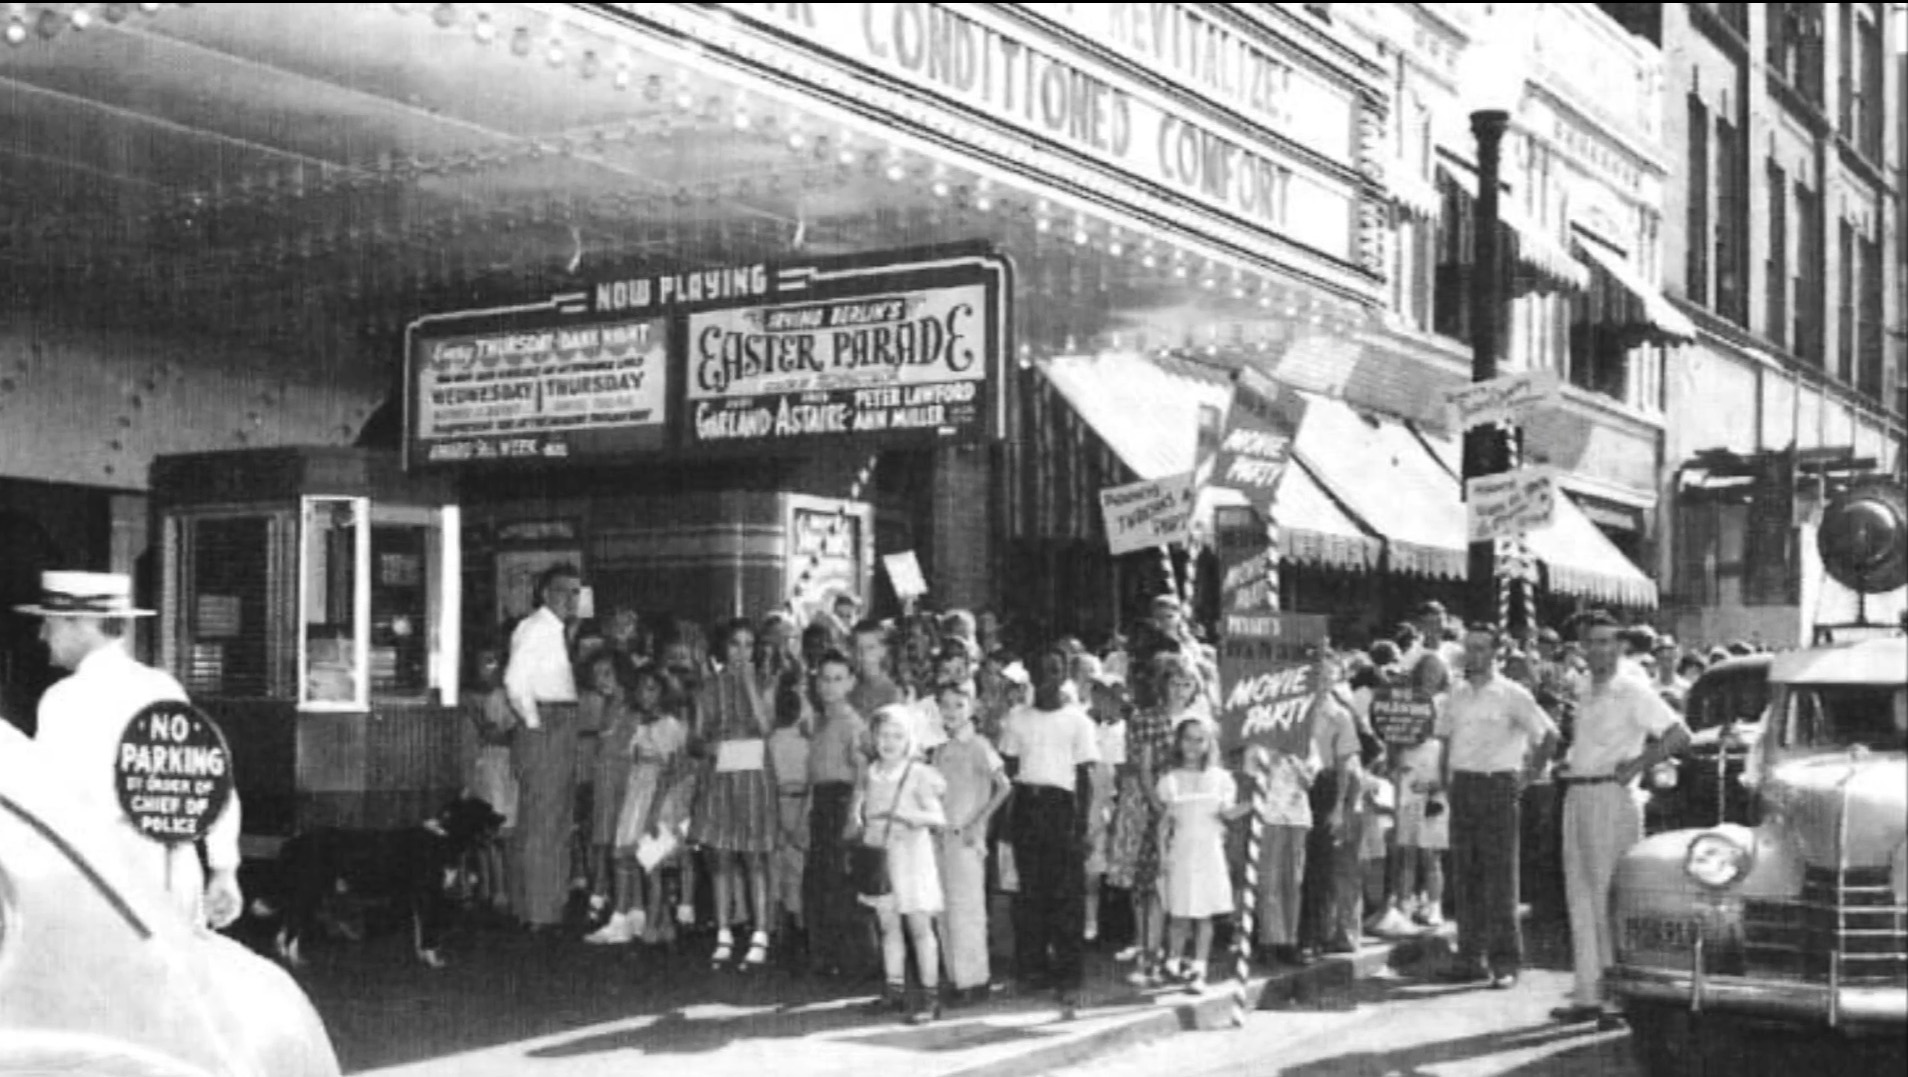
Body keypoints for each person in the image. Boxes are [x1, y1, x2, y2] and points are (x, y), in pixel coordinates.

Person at [20, 571, 244, 929]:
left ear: (83, 624)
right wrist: (223, 868)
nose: (42, 635)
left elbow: (50, 805)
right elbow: (209, 779)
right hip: (176, 876)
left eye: (50, 623)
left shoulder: (64, 700)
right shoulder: (162, 686)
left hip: (105, 883)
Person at [1552, 611, 1690, 1029]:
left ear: (1621, 646)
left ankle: (1617, 998)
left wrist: (1639, 764)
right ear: (1581, 647)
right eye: (1594, 642)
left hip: (1612, 798)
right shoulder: (1585, 689)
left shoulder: (1632, 689)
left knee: (1610, 896)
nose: (1602, 650)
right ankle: (1588, 993)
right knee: (1579, 893)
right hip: (1578, 791)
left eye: (1610, 642)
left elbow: (1678, 733)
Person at [1435, 624, 1558, 989]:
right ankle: (1470, 957)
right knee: (1465, 874)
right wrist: (1446, 779)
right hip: (1463, 786)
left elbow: (1549, 735)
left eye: (1481, 649)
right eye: (1469, 648)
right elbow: (1445, 740)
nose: (1473, 655)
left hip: (1497, 784)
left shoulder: (1512, 694)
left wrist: (1527, 776)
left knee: (1499, 876)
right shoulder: (1455, 695)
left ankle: (1505, 962)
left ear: (1495, 654)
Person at [1000, 647, 1101, 1019]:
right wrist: (1008, 822)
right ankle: (1032, 970)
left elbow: (1086, 778)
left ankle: (1069, 978)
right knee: (1030, 894)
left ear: (1065, 675)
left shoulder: (1078, 721)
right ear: (1031, 675)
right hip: (1028, 803)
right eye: (1041, 671)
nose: (1048, 679)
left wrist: (1083, 826)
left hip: (1062, 807)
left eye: (1055, 671)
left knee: (1066, 896)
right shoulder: (1017, 717)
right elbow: (1009, 768)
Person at [1105, 652, 1200, 986]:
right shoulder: (1147, 720)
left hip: (1192, 810)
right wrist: (1160, 808)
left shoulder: (1200, 723)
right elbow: (1143, 771)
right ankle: (1149, 952)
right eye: (1175, 683)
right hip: (1151, 808)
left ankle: (1179, 954)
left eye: (1187, 683)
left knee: (1187, 884)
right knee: (1149, 885)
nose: (1180, 690)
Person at [692, 618, 780, 970]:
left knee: (755, 855)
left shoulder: (765, 682)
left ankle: (761, 932)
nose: (742, 652)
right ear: (723, 648)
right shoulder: (707, 687)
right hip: (722, 771)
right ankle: (724, 932)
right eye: (735, 644)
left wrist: (748, 684)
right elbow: (695, 740)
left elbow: (765, 726)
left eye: (748, 645)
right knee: (721, 855)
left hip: (754, 771)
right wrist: (709, 747)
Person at [854, 705, 949, 1025]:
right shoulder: (871, 772)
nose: (889, 742)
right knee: (888, 926)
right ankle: (894, 990)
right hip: (883, 859)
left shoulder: (918, 774)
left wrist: (911, 818)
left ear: (909, 739)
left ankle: (931, 996)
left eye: (897, 735)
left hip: (912, 859)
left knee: (920, 928)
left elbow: (938, 817)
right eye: (883, 735)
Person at [505, 564, 584, 932]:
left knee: (553, 819)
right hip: (546, 723)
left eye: (576, 592)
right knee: (542, 821)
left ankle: (544, 904)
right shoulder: (534, 628)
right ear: (545, 594)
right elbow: (515, 681)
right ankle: (539, 910)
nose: (572, 599)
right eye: (564, 591)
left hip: (560, 721)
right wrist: (536, 724)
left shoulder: (557, 632)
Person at [1156, 718, 1250, 993]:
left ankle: (1200, 966)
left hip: (1209, 851)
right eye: (1188, 738)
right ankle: (1173, 961)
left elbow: (1227, 813)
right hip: (1182, 851)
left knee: (1204, 914)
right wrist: (1162, 855)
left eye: (1200, 739)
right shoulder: (1170, 779)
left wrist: (1252, 803)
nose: (1193, 746)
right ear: (1179, 741)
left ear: (1210, 744)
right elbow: (1164, 825)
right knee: (1179, 913)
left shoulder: (1220, 779)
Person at [933, 680, 1011, 1006]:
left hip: (966, 838)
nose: (951, 712)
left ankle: (975, 979)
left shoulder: (979, 745)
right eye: (945, 705)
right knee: (944, 911)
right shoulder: (939, 750)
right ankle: (954, 977)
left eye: (959, 705)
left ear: (972, 708)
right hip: (942, 836)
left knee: (967, 910)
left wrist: (978, 822)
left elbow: (1004, 786)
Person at [598, 663, 688, 945]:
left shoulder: (669, 726)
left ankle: (655, 919)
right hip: (636, 791)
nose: (646, 695)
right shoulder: (640, 723)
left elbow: (669, 772)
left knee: (653, 860)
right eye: (642, 689)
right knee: (626, 855)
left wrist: (654, 811)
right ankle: (627, 919)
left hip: (654, 796)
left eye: (652, 689)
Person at [803, 649, 874, 979]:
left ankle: (854, 963)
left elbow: (862, 772)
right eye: (824, 679)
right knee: (820, 884)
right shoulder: (821, 720)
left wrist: (854, 814)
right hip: (821, 801)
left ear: (850, 682)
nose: (829, 686)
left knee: (841, 886)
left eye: (837, 679)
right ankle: (826, 958)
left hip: (842, 803)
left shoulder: (852, 723)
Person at [1299, 645, 1365, 959]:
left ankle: (1315, 934)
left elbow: (1344, 764)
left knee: (1320, 864)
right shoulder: (1295, 707)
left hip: (1324, 786)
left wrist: (1339, 806)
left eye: (1329, 674)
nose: (1322, 680)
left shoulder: (1340, 715)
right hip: (1294, 784)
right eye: (1317, 673)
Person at [580, 649, 639, 929]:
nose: (601, 680)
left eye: (607, 673)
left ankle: (622, 903)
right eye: (596, 675)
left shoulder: (629, 706)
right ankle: (601, 893)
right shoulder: (606, 705)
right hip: (604, 778)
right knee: (602, 839)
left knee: (621, 842)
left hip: (623, 779)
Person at [463, 646, 518, 920]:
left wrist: (480, 721)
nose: (486, 668)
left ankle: (502, 890)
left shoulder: (504, 697)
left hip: (502, 767)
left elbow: (503, 734)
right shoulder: (478, 698)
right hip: (484, 767)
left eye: (491, 662)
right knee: (484, 833)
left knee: (499, 831)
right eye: (481, 663)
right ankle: (486, 885)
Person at [766, 669, 812, 953]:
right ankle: (794, 923)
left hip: (782, 804)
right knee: (794, 866)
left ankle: (783, 923)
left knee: (779, 866)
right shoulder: (802, 744)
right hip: (792, 802)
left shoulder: (773, 744)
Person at [1082, 670, 1128, 943]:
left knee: (1109, 867)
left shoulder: (1125, 729)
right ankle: (1089, 921)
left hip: (1113, 798)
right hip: (1090, 797)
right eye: (1100, 694)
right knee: (1089, 870)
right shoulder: (1083, 723)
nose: (1105, 702)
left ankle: (1110, 924)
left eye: (1112, 697)